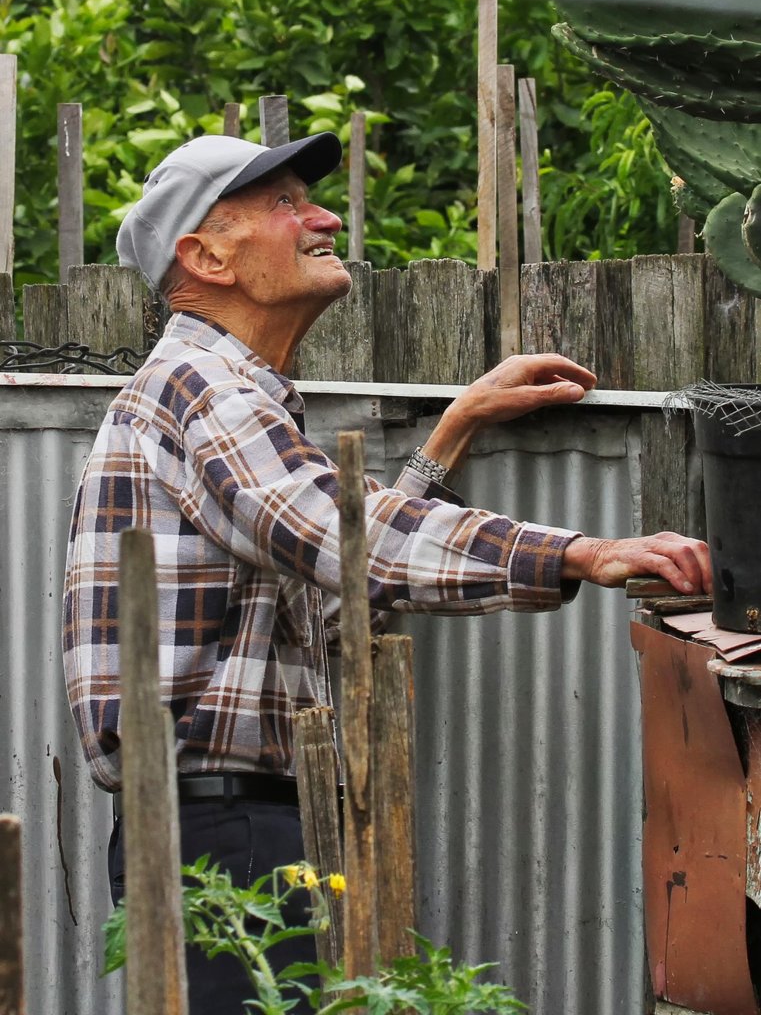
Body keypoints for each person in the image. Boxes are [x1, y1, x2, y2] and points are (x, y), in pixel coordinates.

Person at [61, 132, 711, 1014]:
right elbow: (342, 538)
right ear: (206, 257)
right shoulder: (202, 386)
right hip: (220, 836)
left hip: (225, 827)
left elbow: (331, 597)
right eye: (285, 203)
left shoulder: (218, 395)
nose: (324, 218)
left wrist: (451, 431)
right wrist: (580, 552)